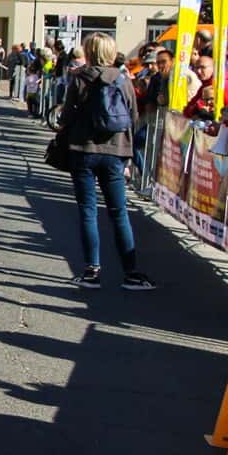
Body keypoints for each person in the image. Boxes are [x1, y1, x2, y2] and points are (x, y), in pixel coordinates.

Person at [57, 33, 156, 290]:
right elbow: (133, 115)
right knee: (119, 212)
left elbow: (66, 116)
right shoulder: (123, 80)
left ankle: (92, 271)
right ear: (112, 52)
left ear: (89, 52)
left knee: (88, 210)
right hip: (115, 150)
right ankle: (131, 273)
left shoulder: (79, 78)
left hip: (83, 149)